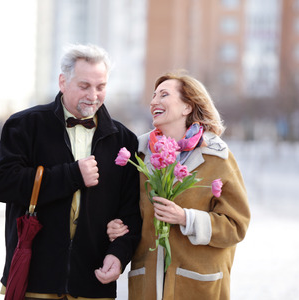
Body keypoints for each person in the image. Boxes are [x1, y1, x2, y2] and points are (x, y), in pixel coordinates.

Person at [0, 44, 142, 300]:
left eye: (101, 86)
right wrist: (72, 175)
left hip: (93, 285)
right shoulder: (25, 125)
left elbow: (131, 212)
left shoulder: (124, 140)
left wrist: (119, 254)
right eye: (84, 86)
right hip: (34, 280)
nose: (93, 95)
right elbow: (0, 184)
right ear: (63, 82)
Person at [107, 71, 251, 299]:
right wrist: (118, 226)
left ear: (187, 107)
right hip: (148, 285)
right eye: (153, 96)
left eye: (164, 95)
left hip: (198, 284)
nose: (154, 101)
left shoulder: (217, 156)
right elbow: (131, 211)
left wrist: (186, 218)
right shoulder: (140, 153)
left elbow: (237, 225)